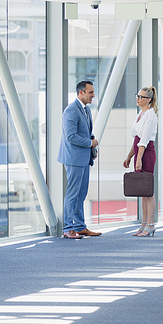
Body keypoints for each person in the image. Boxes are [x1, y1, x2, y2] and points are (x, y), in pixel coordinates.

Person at [57, 80, 101, 238]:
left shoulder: (86, 110)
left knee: (81, 194)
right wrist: (90, 143)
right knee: (72, 194)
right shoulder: (71, 110)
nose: (93, 95)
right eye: (90, 92)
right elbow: (70, 136)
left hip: (83, 158)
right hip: (74, 158)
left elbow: (84, 132)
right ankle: (68, 228)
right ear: (80, 93)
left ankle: (81, 226)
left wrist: (91, 142)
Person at [123, 86, 158, 237]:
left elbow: (143, 140)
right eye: (137, 96)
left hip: (146, 153)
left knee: (148, 191)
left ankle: (150, 224)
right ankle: (144, 222)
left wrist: (138, 159)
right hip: (139, 151)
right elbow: (136, 139)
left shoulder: (150, 115)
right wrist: (129, 156)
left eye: (141, 97)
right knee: (143, 191)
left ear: (148, 99)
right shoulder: (140, 114)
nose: (138, 99)